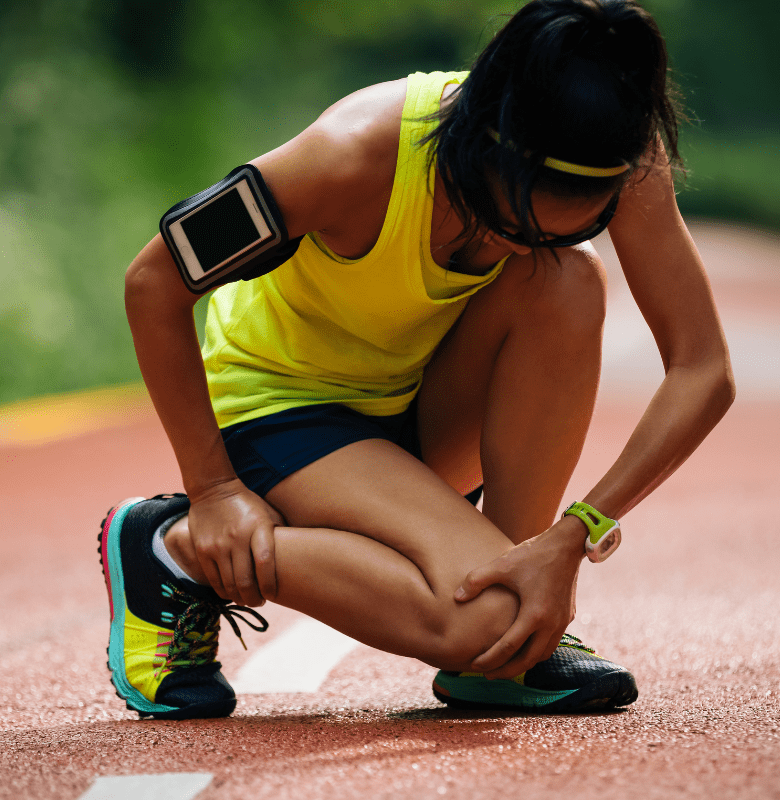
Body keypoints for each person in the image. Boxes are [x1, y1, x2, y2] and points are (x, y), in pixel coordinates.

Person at [100, 0, 734, 720]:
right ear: (484, 145)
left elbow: (702, 368)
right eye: (507, 222)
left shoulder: (610, 151)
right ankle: (173, 549)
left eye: (567, 226)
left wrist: (569, 537)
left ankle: (507, 621)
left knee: (568, 279)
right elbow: (153, 281)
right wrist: (213, 489)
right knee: (489, 622)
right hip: (281, 408)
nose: (513, 250)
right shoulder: (349, 154)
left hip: (415, 407)